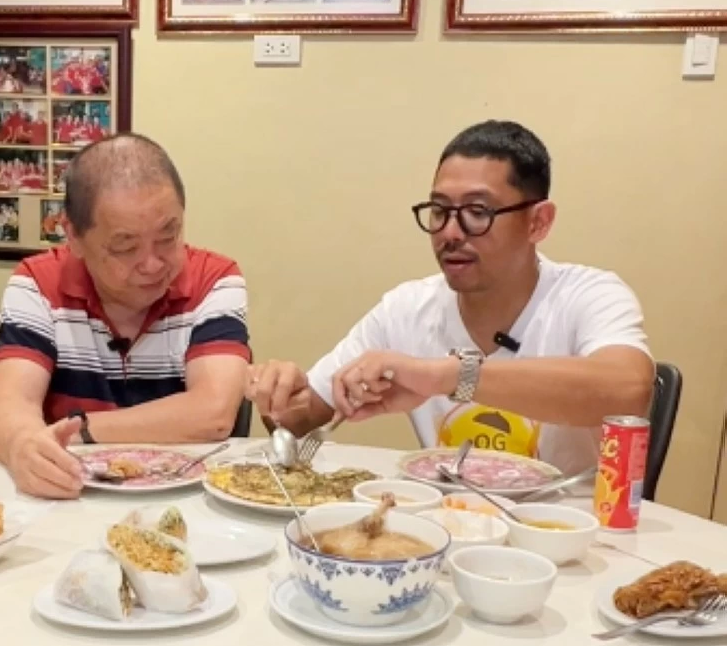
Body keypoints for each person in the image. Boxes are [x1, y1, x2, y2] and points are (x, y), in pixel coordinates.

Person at [248, 120, 654, 476]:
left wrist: (443, 376)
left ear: (538, 222)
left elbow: (628, 390)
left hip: (565, 538)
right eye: (439, 210)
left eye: (478, 212)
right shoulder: (407, 309)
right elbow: (302, 419)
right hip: (447, 528)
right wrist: (278, 393)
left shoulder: (587, 295)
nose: (451, 232)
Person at [0, 134, 250, 499]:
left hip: (185, 502)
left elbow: (214, 412)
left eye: (168, 236)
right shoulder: (37, 282)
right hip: (72, 495)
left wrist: (81, 428)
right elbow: (12, 404)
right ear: (74, 237)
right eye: (126, 246)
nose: (153, 264)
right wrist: (23, 446)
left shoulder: (214, 279)